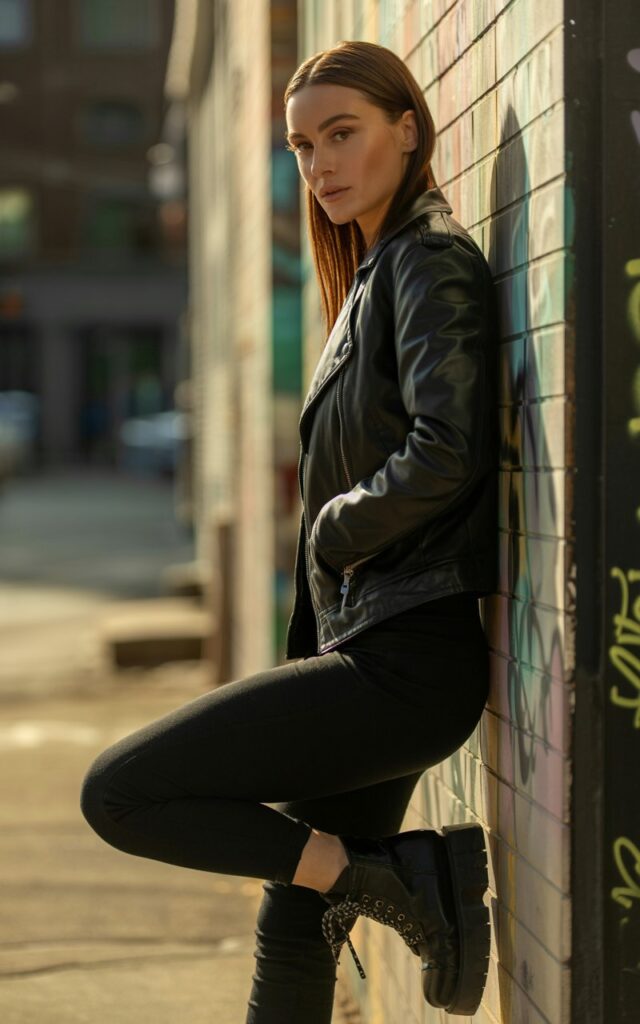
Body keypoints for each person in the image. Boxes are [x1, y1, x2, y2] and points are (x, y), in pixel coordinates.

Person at [80, 39, 499, 1023]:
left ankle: (395, 874)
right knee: (297, 913)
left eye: (342, 135)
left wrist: (334, 528)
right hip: (380, 652)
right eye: (303, 146)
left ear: (407, 129)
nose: (319, 165)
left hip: (403, 663)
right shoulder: (376, 271)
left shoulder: (426, 262)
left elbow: (449, 446)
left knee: (120, 792)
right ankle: (384, 874)